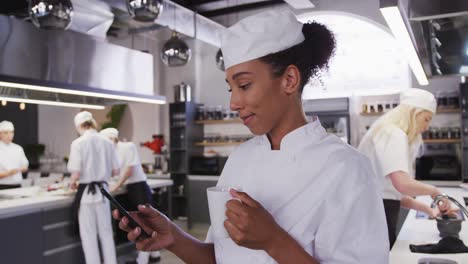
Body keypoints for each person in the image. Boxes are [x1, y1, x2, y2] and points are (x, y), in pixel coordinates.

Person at [114, 9, 389, 264]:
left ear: (289, 80)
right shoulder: (240, 159)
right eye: (231, 88)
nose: (234, 103)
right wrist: (174, 238)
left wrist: (273, 240)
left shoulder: (347, 169)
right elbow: (221, 257)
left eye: (244, 85)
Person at [358, 88, 451, 248]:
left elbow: (393, 194)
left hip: (375, 210)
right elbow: (402, 184)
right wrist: (435, 192)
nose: (427, 127)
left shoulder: (388, 131)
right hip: (376, 215)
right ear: (414, 113)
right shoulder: (393, 134)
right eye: (427, 119)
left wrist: (429, 210)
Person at [100, 128, 161, 264]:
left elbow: (128, 170)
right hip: (129, 189)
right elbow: (115, 172)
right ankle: (154, 254)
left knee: (144, 223)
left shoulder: (128, 146)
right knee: (137, 223)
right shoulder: (112, 151)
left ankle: (143, 260)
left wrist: (115, 186)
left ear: (111, 139)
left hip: (138, 187)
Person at [68, 111, 119, 264]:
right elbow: (116, 171)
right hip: (103, 193)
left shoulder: (78, 143)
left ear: (78, 126)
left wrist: (72, 183)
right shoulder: (107, 142)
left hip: (86, 195)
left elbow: (76, 172)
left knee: (89, 236)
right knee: (106, 234)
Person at [0, 120, 28, 190]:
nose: (9, 135)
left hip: (17, 186)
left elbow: (25, 166)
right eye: (6, 133)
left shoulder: (18, 148)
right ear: (0, 134)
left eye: (11, 132)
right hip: (2, 186)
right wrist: (9, 173)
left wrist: (20, 169)